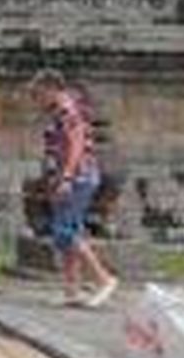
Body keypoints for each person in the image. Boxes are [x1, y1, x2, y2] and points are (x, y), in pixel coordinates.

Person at [29, 69, 118, 308]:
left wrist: (67, 177)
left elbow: (76, 145)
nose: (37, 101)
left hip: (78, 177)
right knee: (66, 234)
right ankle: (71, 290)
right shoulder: (59, 112)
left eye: (38, 95)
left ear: (51, 89)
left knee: (65, 231)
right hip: (68, 177)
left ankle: (104, 279)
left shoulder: (68, 111)